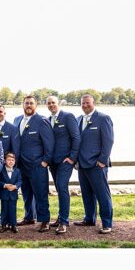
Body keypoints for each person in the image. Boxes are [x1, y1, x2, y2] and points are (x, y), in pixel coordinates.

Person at [12, 95, 55, 231]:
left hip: (37, 165)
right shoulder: (17, 119)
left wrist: (45, 161)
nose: (28, 105)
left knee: (41, 193)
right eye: (26, 103)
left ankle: (44, 220)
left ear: (36, 105)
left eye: (31, 103)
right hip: (21, 165)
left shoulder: (42, 121)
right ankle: (29, 217)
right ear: (23, 105)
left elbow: (49, 143)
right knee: (26, 193)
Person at [76, 94, 114, 233]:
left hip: (97, 165)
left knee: (102, 195)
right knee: (86, 194)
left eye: (87, 103)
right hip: (82, 164)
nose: (85, 105)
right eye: (83, 103)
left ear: (93, 103)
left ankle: (107, 223)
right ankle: (89, 219)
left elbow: (108, 141)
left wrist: (102, 161)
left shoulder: (103, 118)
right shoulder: (78, 119)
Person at [46, 94, 81, 234]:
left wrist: (72, 158)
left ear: (58, 103)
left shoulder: (68, 116)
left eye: (53, 102)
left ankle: (64, 222)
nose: (51, 105)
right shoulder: (48, 120)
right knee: (59, 189)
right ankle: (60, 217)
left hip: (65, 161)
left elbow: (76, 137)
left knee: (62, 187)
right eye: (48, 103)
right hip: (53, 162)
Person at [0, 151, 21, 233]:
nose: (11, 162)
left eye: (12, 160)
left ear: (15, 162)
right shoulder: (1, 170)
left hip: (13, 194)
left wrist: (15, 186)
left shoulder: (17, 171)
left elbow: (19, 181)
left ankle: (13, 225)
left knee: (13, 210)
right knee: (4, 210)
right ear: (5, 161)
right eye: (9, 160)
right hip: (4, 194)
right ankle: (3, 225)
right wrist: (5, 185)